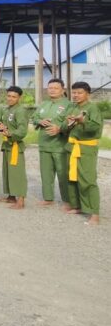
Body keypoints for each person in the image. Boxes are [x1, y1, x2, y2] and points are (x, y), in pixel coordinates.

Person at [64, 82, 102, 225]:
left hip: (86, 148)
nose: (76, 95)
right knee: (72, 177)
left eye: (79, 92)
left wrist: (83, 121)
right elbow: (65, 127)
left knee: (88, 180)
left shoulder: (92, 108)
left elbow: (96, 127)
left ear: (87, 93)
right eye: (74, 92)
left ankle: (94, 214)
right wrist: (68, 123)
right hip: (72, 146)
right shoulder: (73, 108)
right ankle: (77, 206)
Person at [31, 78, 71, 208]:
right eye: (50, 88)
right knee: (46, 173)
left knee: (63, 173)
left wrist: (60, 128)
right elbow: (34, 117)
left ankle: (67, 200)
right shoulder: (44, 104)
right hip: (44, 144)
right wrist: (40, 121)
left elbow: (71, 123)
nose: (52, 90)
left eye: (56, 88)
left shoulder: (68, 105)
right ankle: (48, 198)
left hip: (60, 145)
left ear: (62, 90)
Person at [0, 86, 28, 209]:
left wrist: (10, 134)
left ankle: (21, 200)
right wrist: (2, 128)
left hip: (15, 145)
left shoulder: (20, 111)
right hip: (7, 144)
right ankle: (11, 196)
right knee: (8, 171)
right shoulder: (7, 110)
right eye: (9, 96)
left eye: (13, 97)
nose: (10, 98)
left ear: (19, 97)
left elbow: (22, 130)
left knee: (17, 172)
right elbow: (6, 125)